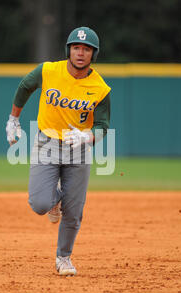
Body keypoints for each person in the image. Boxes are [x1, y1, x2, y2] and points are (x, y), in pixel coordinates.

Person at [6, 26, 111, 276]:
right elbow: (24, 87)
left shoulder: (101, 88)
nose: (80, 53)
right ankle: (56, 201)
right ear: (69, 50)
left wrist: (88, 136)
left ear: (93, 54)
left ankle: (64, 258)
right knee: (40, 203)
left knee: (74, 213)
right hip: (47, 143)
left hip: (79, 149)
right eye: (76, 47)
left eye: (86, 49)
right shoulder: (48, 70)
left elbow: (103, 126)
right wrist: (13, 120)